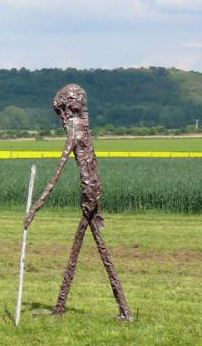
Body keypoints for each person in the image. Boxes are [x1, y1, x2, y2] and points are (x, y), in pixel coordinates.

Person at [24, 84, 133, 320]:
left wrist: (36, 207)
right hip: (92, 195)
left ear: (66, 109)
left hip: (90, 199)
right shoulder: (83, 126)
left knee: (97, 253)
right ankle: (64, 307)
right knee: (82, 252)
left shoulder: (76, 129)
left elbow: (58, 171)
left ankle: (123, 310)